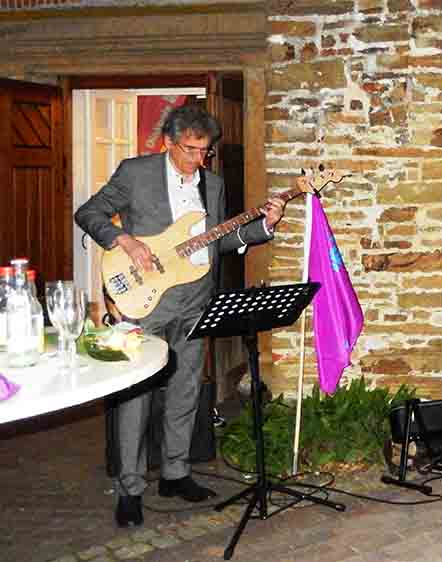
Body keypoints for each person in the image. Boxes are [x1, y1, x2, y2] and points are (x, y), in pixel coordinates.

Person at [75, 105, 288, 528]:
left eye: (204, 152)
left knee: (186, 389)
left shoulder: (213, 185)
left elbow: (216, 245)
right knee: (135, 396)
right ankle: (130, 489)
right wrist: (124, 241)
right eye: (189, 151)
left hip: (195, 302)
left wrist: (263, 227)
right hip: (144, 301)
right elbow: (89, 213)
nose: (198, 160)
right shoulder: (136, 173)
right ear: (168, 143)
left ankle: (175, 473)